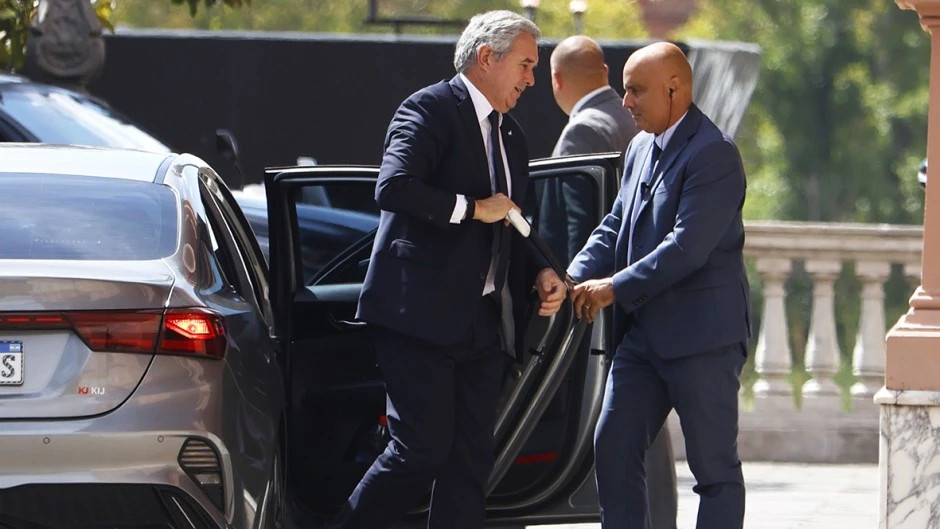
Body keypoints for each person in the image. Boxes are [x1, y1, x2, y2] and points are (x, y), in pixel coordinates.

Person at [334, 10, 567, 529]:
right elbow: (393, 187)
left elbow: (513, 219)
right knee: (419, 451)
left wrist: (540, 271)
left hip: (481, 326)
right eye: (526, 65)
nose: (532, 79)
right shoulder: (429, 108)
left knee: (469, 465)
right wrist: (471, 207)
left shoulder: (512, 135)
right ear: (487, 57)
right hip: (417, 317)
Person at [567, 42, 751, 529]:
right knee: (612, 447)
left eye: (635, 91)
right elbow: (615, 224)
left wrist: (613, 287)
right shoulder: (639, 147)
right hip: (642, 340)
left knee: (714, 472)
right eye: (625, 90)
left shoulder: (714, 154)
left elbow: (686, 248)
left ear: (674, 88)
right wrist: (573, 275)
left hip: (703, 339)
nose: (625, 102)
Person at [542, 35, 677, 529]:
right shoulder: (635, 124)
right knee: (646, 435)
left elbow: (582, 229)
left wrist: (573, 286)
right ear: (605, 73)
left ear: (557, 81)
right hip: (652, 299)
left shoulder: (581, 132)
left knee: (619, 437)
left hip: (603, 306)